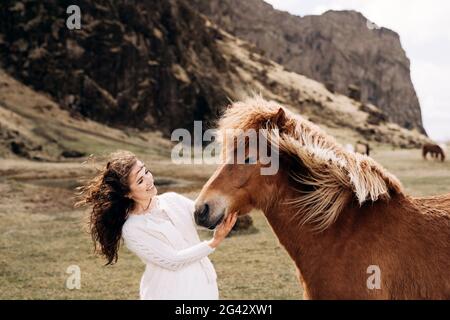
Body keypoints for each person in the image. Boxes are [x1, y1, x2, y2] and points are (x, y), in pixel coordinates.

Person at [76, 150, 237, 299]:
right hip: (168, 293)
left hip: (205, 285)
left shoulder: (173, 199)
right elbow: (172, 260)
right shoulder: (133, 228)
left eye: (146, 171)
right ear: (127, 193)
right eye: (140, 181)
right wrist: (213, 243)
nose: (148, 180)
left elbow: (205, 219)